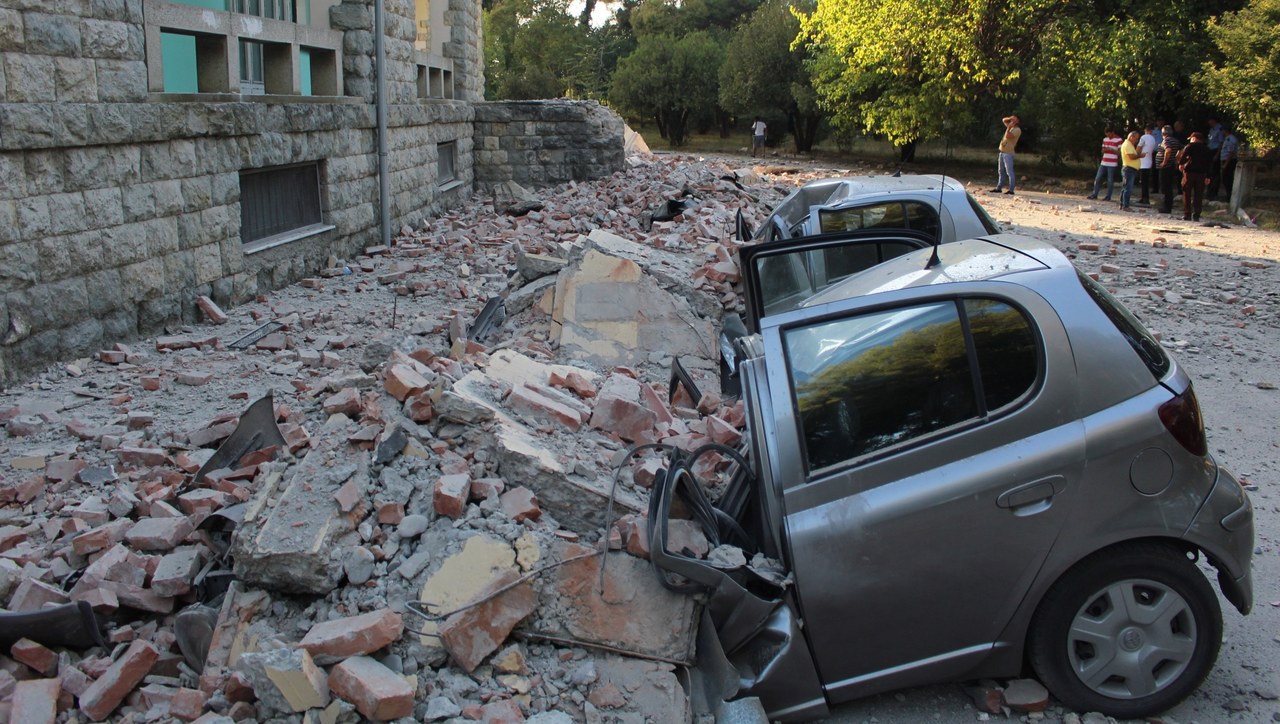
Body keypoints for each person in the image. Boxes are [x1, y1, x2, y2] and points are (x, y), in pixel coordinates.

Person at [1176, 131, 1213, 221]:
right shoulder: (1207, 149)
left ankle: (1187, 214)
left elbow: (1183, 157)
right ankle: (1196, 215)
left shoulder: (1190, 146)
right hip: (1201, 174)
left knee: (1186, 193)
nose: (1190, 141)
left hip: (1189, 173)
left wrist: (1180, 164)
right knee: (1198, 195)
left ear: (1194, 139)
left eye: (1191, 139)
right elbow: (1209, 164)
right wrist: (1208, 176)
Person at [1086, 128, 1122, 201]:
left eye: (1109, 134)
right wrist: (1105, 150)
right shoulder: (1105, 139)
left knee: (1110, 180)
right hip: (1104, 161)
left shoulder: (1119, 140)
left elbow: (1119, 153)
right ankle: (1095, 194)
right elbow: (1102, 150)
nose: (1108, 136)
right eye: (1107, 134)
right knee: (1098, 178)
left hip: (1112, 163)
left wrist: (1111, 149)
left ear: (1112, 132)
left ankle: (1108, 196)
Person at [1157, 125, 1184, 215]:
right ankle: (1168, 206)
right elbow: (1182, 149)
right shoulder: (1175, 141)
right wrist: (1176, 159)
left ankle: (1166, 207)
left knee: (1165, 187)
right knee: (1168, 187)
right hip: (1171, 166)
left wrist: (1164, 162)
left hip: (1166, 167)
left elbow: (1168, 150)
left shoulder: (1166, 140)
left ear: (1164, 133)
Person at [991, 115, 1021, 195]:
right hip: (1002, 152)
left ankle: (1011, 190)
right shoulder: (1011, 127)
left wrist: (1009, 127)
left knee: (1009, 172)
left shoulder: (1017, 130)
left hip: (1008, 153)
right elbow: (1003, 120)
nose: (1012, 120)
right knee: (1000, 171)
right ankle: (999, 188)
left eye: (1015, 119)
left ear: (1018, 121)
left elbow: (1008, 136)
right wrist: (1010, 119)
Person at [1119, 130, 1142, 210]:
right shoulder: (1127, 145)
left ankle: (1122, 204)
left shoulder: (1130, 145)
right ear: (1131, 137)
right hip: (1129, 168)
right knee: (1128, 188)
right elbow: (1131, 156)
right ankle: (1126, 205)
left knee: (1125, 187)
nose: (1137, 140)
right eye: (1136, 138)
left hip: (1130, 168)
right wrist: (1140, 155)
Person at [1138, 124, 1157, 204]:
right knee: (1146, 181)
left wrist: (1136, 155)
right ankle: (1145, 197)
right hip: (1149, 161)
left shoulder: (1143, 137)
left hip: (1143, 161)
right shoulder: (1153, 138)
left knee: (1143, 181)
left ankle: (1144, 198)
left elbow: (1139, 148)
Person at [1220, 126, 1240, 202]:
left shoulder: (1230, 139)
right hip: (1226, 160)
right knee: (1225, 179)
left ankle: (1230, 197)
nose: (1221, 133)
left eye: (1222, 131)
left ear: (1225, 130)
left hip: (1229, 161)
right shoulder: (1227, 139)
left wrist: (1226, 164)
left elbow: (1231, 153)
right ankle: (1228, 196)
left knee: (1228, 179)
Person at [1206, 118, 1224, 198]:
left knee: (1215, 173)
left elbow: (1220, 143)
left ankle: (1214, 192)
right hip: (1210, 151)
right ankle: (1209, 190)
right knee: (1209, 172)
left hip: (1215, 151)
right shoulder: (1211, 130)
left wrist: (1217, 154)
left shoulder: (1219, 129)